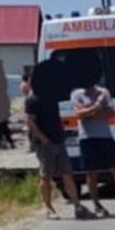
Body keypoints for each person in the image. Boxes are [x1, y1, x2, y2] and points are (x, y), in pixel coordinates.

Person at [70, 82, 115, 217]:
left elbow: (111, 113)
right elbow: (78, 114)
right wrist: (97, 106)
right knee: (91, 173)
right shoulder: (77, 94)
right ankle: (96, 205)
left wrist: (90, 111)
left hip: (105, 136)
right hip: (87, 138)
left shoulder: (103, 92)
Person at [25, 88, 93, 220]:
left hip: (58, 139)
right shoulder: (33, 98)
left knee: (67, 173)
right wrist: (42, 137)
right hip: (45, 143)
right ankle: (48, 208)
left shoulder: (52, 96)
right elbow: (29, 120)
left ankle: (77, 206)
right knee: (46, 175)